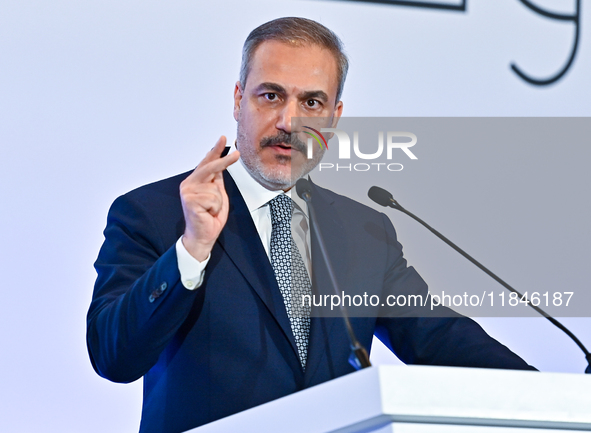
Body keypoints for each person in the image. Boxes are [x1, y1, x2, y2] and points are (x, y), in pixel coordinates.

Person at [87, 17, 535, 433]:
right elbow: (114, 357)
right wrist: (191, 250)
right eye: (271, 95)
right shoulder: (155, 212)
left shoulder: (365, 231)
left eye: (311, 101)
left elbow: (439, 337)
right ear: (239, 99)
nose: (288, 121)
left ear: (333, 118)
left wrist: (558, 396)